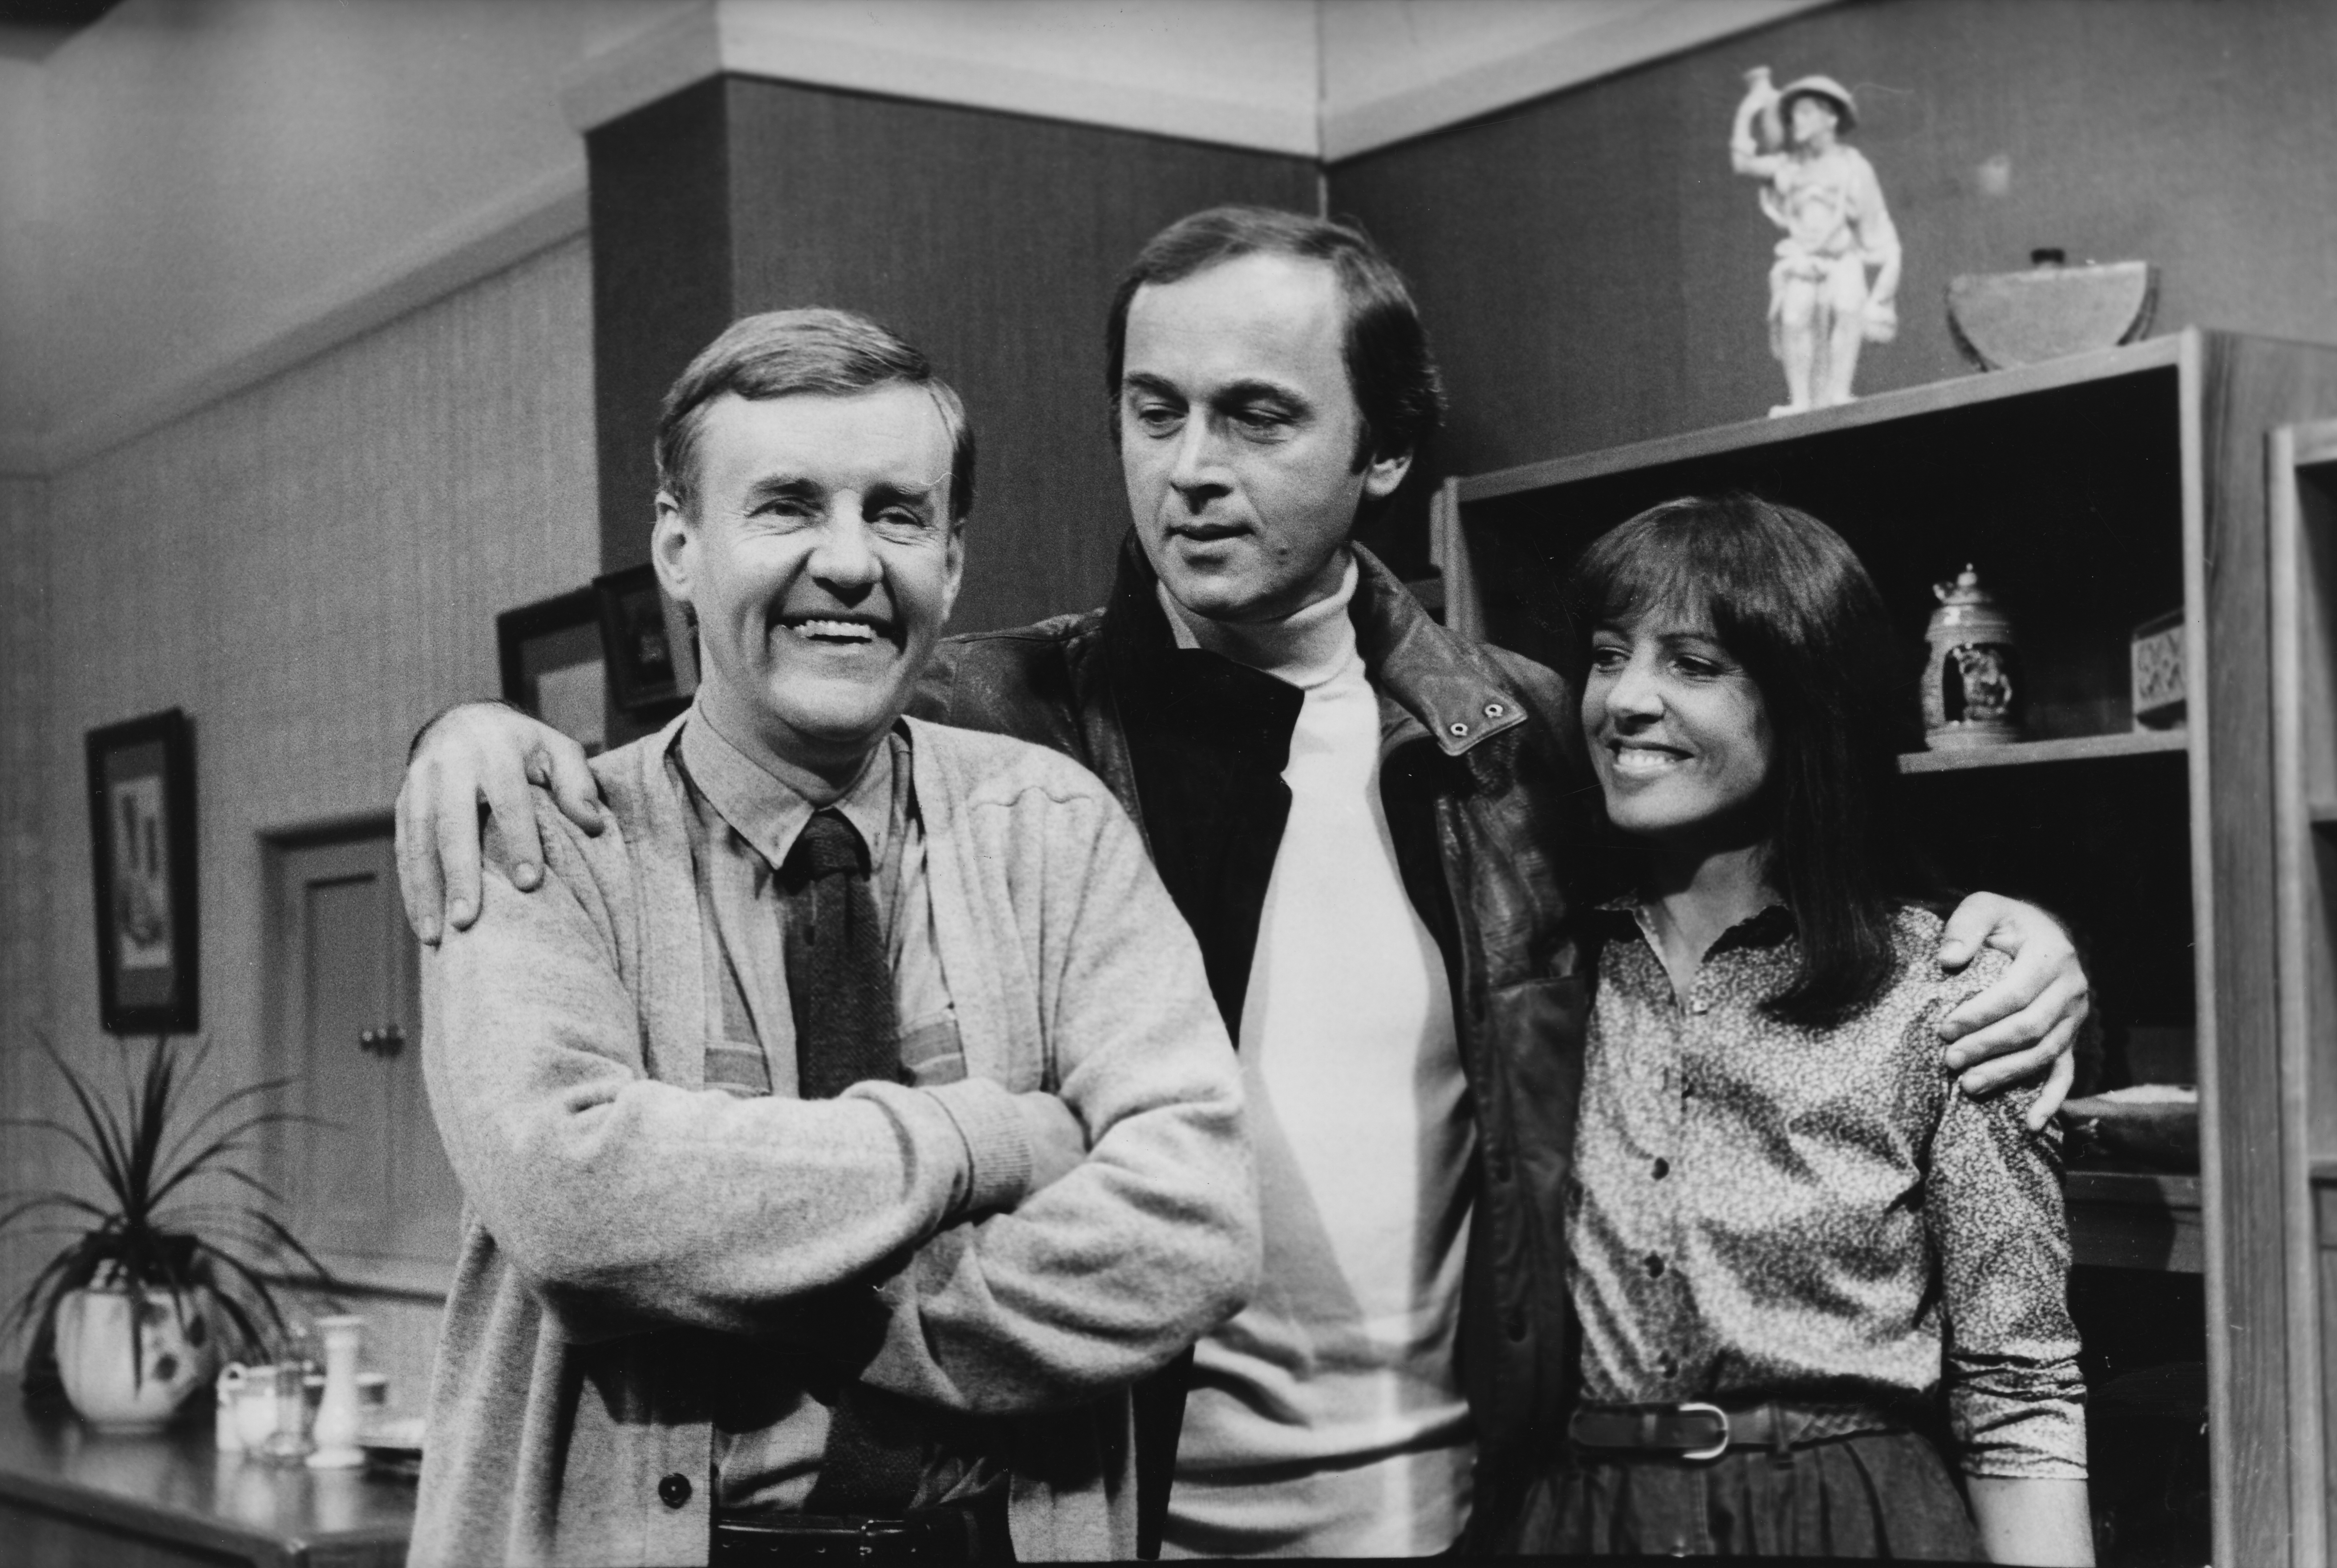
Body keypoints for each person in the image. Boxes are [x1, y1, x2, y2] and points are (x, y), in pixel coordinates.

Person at [398, 207, 2090, 1557]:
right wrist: (467, 734)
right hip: (1095, 1502)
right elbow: (740, 728)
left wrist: (2021, 937)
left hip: (1457, 1513)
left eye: (1258, 415)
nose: (1189, 466)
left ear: (1382, 458)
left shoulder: (1527, 738)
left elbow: (1788, 856)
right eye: (1155, 412)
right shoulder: (998, 716)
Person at [410, 308, 1257, 1567]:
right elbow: (573, 1195)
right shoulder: (542, 838)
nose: (852, 563)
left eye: (898, 514)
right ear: (679, 547)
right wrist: (988, 1140)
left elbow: (1194, 1225)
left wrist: (802, 1306)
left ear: (953, 561)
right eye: (789, 506)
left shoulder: (1055, 830)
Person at [1500, 494, 2090, 1563]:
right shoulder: (1536, 972)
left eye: (1692, 663)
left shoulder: (1945, 991)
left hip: (1848, 1519)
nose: (1626, 699)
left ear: (1805, 699)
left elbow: (2021, 1387)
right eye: (1606, 655)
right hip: (1584, 1520)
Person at [1731, 69, 1902, 414]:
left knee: (1848, 310)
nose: (1797, 119)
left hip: (1841, 255)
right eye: (1795, 112)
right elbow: (1743, 163)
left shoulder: (1853, 167)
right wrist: (1748, 111)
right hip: (1802, 258)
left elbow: (1873, 221)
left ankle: (1839, 392)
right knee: (1794, 320)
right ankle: (1802, 401)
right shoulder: (1789, 165)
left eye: (1808, 111)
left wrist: (1886, 263)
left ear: (1831, 118)